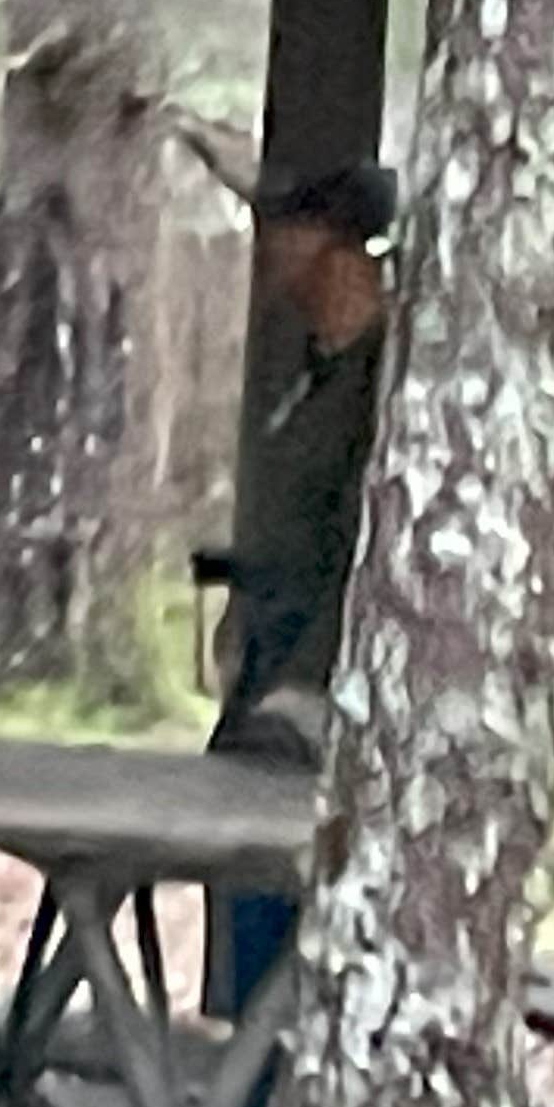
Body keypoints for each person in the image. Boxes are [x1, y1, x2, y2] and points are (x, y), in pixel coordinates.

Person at [198, 160, 398, 1021]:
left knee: (278, 870)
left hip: (322, 688)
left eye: (291, 228)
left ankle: (276, 1064)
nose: (272, 250)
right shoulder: (318, 368)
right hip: (270, 661)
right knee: (234, 872)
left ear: (344, 251)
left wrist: (307, 684)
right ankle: (250, 1049)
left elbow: (365, 550)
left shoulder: (386, 386)